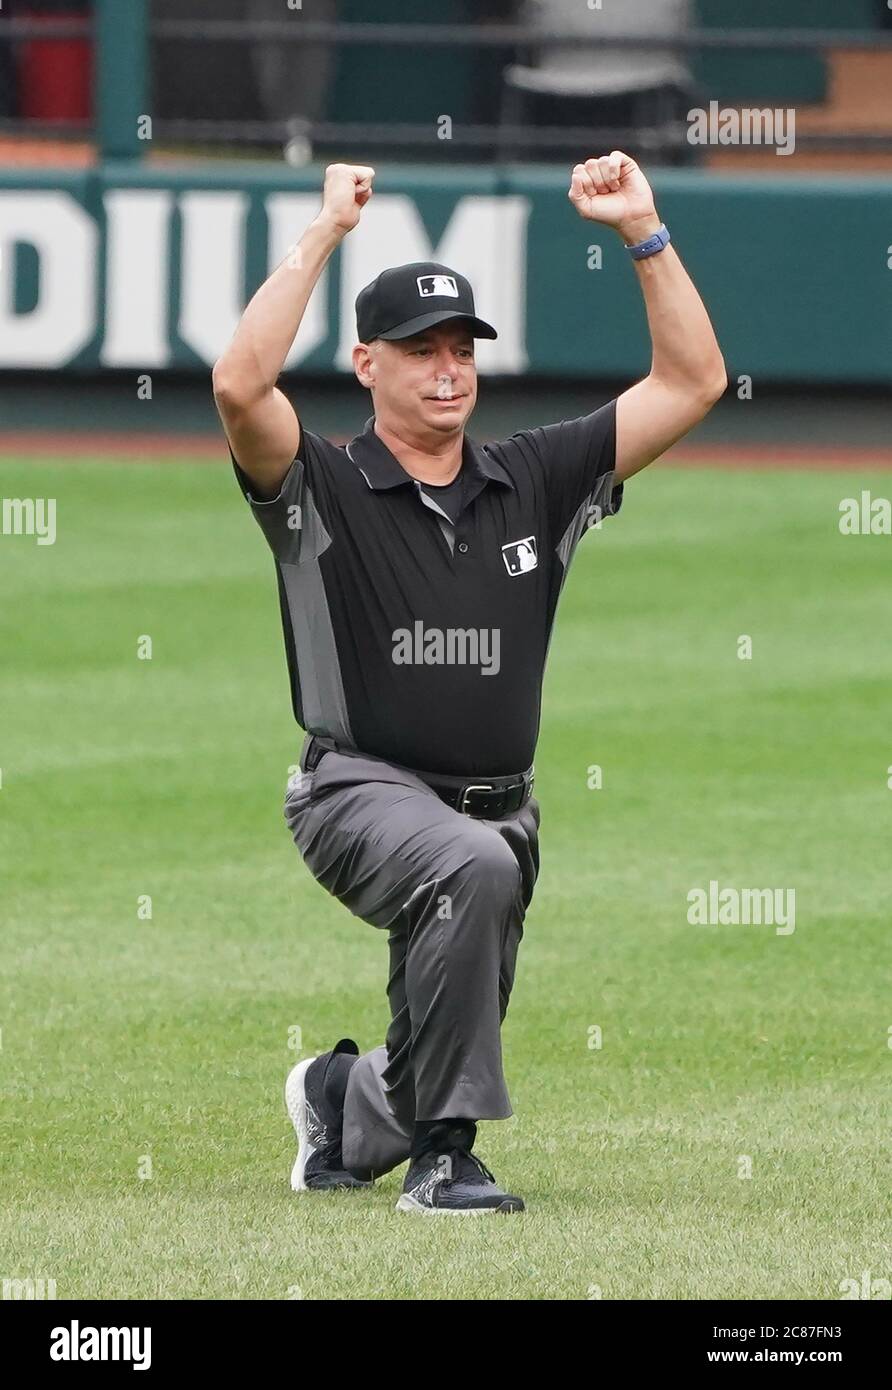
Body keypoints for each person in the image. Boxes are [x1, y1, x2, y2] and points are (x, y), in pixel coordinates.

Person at [212, 155, 726, 1214]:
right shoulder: (319, 483)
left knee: (452, 985)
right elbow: (237, 384)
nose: (446, 371)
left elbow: (690, 384)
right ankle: (447, 1160)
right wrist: (321, 235)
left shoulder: (532, 475)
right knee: (469, 867)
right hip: (356, 792)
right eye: (418, 353)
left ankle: (340, 1105)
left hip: (503, 812)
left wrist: (644, 229)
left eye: (460, 350)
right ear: (364, 361)